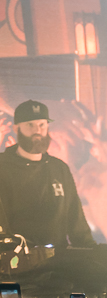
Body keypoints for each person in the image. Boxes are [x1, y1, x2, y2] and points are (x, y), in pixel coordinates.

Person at [0, 99, 95, 247]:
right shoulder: (3, 168)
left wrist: (93, 259)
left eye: (42, 125)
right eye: (30, 125)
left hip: (59, 264)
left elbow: (77, 225)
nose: (37, 130)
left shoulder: (59, 168)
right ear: (16, 129)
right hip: (17, 264)